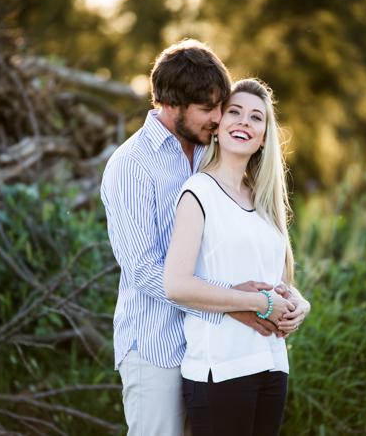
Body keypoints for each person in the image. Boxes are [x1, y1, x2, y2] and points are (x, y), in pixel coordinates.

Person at [101, 39, 309, 436]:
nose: (218, 118)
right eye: (207, 109)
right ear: (170, 103)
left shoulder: (209, 153)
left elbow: (238, 252)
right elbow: (145, 271)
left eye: (221, 107)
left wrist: (285, 298)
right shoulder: (130, 166)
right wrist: (234, 305)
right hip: (155, 345)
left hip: (213, 350)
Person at [162, 78, 306, 436]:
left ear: (263, 137)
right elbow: (175, 284)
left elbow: (277, 280)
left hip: (272, 365)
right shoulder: (198, 191)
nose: (244, 121)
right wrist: (259, 302)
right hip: (221, 370)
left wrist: (299, 304)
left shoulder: (262, 201)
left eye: (256, 117)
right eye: (235, 112)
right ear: (218, 125)